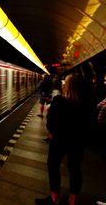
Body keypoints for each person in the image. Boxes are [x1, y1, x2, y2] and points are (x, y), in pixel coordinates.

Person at [35, 73, 96, 205]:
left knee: (53, 165)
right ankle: (72, 200)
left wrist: (53, 133)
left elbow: (50, 123)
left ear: (67, 86)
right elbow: (91, 125)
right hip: (78, 142)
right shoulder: (88, 105)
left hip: (59, 141)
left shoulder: (59, 101)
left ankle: (54, 198)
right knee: (75, 168)